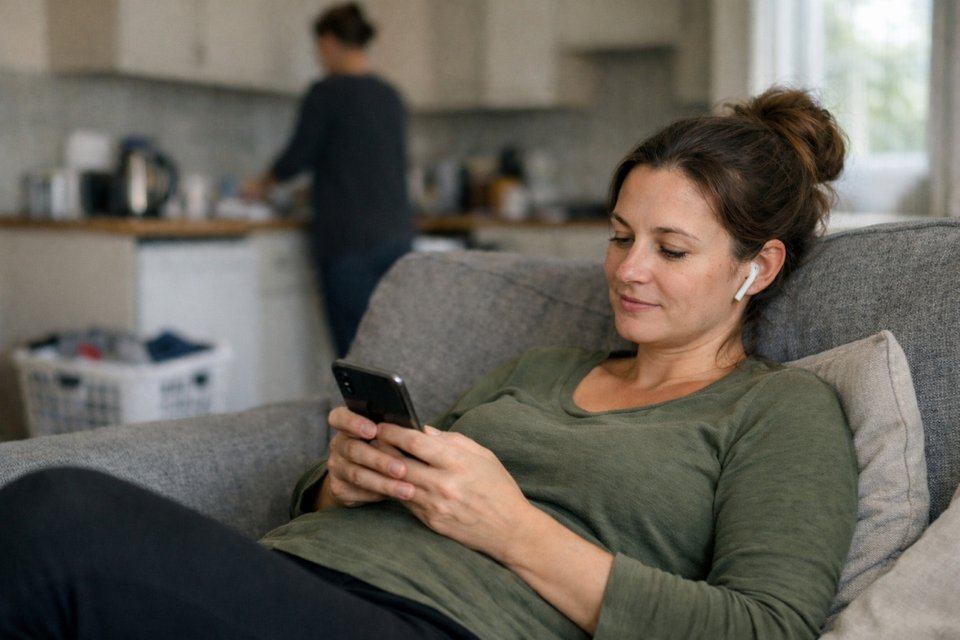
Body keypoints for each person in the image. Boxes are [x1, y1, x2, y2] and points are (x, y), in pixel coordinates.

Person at [0, 87, 857, 639]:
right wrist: (348, 479)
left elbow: (765, 628)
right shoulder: (542, 369)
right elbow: (394, 492)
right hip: (301, 574)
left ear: (761, 267)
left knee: (55, 513)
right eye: (621, 236)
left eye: (671, 249)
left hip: (442, 624)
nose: (628, 270)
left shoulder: (778, 412)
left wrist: (511, 526)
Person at [243, 2, 414, 357]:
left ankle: (362, 415)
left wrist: (259, 185)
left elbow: (296, 158)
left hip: (350, 241)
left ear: (330, 41)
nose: (318, 57)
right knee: (393, 351)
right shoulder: (390, 96)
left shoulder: (326, 93)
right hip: (397, 239)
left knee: (358, 357)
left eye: (318, 48)